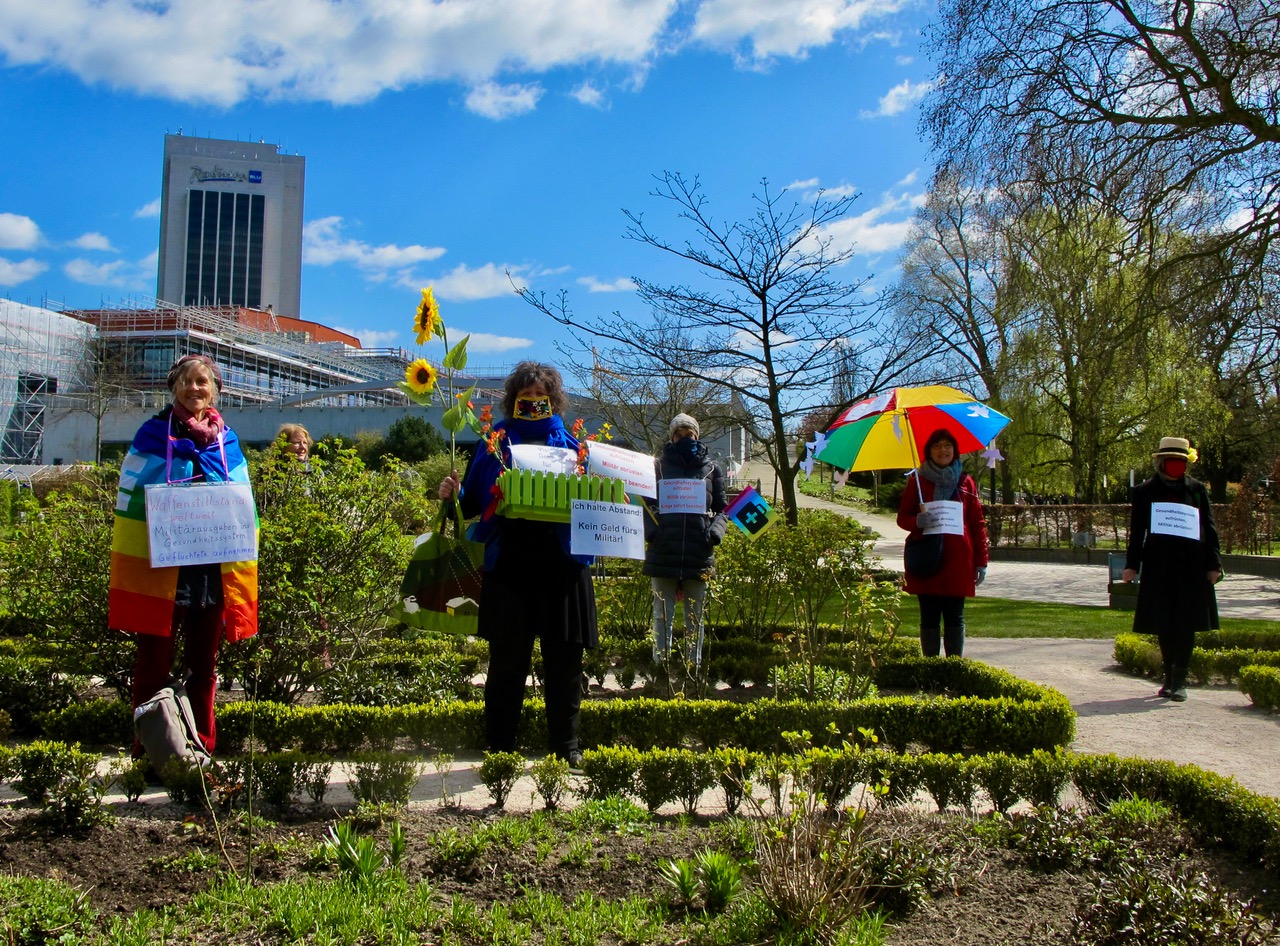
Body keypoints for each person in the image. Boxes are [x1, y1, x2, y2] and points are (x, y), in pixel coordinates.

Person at [438, 362, 596, 766]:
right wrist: (450, 495)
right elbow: (471, 504)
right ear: (512, 400)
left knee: (565, 663)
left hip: (563, 565)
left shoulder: (574, 446)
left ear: (553, 400)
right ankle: (500, 745)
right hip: (509, 566)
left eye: (541, 398)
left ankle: (566, 747)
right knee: (507, 663)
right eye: (525, 398)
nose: (532, 404)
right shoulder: (494, 441)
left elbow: (594, 503)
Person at [108, 354, 259, 756]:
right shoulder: (152, 434)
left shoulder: (228, 441)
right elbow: (134, 490)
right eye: (188, 381)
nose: (195, 388)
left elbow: (240, 499)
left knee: (204, 664)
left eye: (203, 382)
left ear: (215, 390)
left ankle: (202, 746)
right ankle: (149, 748)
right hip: (162, 566)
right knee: (153, 661)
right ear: (174, 386)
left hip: (210, 569)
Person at [1121, 436, 1222, 702]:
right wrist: (1132, 565)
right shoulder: (1144, 491)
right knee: (1165, 623)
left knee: (1186, 624)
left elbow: (1209, 528)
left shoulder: (1197, 489)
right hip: (1160, 566)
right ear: (1162, 462)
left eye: (1181, 461)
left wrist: (1214, 564)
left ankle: (1180, 680)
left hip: (1192, 567)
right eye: (1172, 461)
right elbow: (1137, 532)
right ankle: (1168, 678)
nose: (1177, 466)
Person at [643, 413, 728, 678]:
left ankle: (694, 669)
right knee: (662, 617)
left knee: (695, 619)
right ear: (671, 436)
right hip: (663, 550)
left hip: (699, 551)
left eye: (689, 433)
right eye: (678, 433)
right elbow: (644, 505)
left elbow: (723, 509)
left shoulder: (712, 469)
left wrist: (715, 532)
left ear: (697, 435)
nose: (684, 437)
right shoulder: (656, 467)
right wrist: (652, 532)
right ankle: (661, 670)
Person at [896, 427, 990, 657]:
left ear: (955, 451)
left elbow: (977, 523)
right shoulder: (917, 481)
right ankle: (930, 666)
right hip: (927, 558)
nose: (943, 450)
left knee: (954, 616)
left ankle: (953, 666)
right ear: (929, 451)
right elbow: (902, 518)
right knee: (928, 616)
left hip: (958, 561)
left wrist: (982, 561)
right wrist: (917, 520)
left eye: (947, 445)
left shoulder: (966, 483)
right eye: (937, 446)